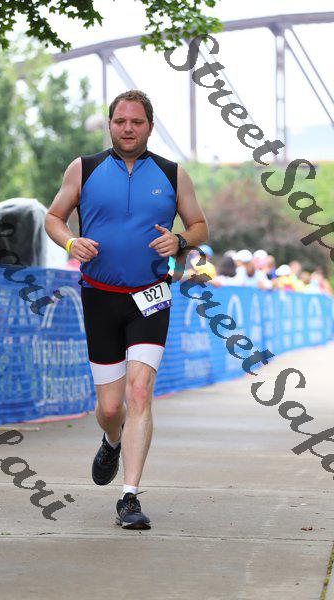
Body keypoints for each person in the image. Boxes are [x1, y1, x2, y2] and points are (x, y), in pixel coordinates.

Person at [44, 90, 208, 529]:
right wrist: (70, 242)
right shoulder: (84, 168)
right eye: (120, 121)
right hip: (100, 296)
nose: (128, 128)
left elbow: (199, 225)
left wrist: (181, 240)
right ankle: (111, 439)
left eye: (136, 121)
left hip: (151, 297)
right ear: (110, 124)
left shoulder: (172, 174)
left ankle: (130, 496)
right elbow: (53, 217)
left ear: (150, 126)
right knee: (111, 407)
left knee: (139, 393)